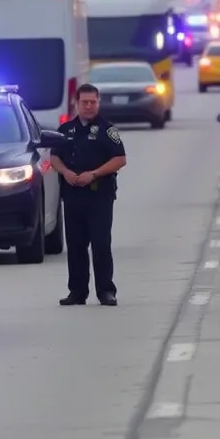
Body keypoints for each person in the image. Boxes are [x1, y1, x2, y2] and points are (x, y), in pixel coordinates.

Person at [50, 83, 127, 306]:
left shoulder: (107, 129)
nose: (89, 106)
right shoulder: (65, 130)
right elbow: (54, 156)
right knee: (75, 245)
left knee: (101, 243)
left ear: (98, 102)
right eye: (85, 102)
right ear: (76, 103)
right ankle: (77, 291)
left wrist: (93, 174)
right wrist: (65, 172)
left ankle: (105, 290)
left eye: (93, 102)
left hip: (99, 196)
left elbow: (120, 159)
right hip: (73, 195)